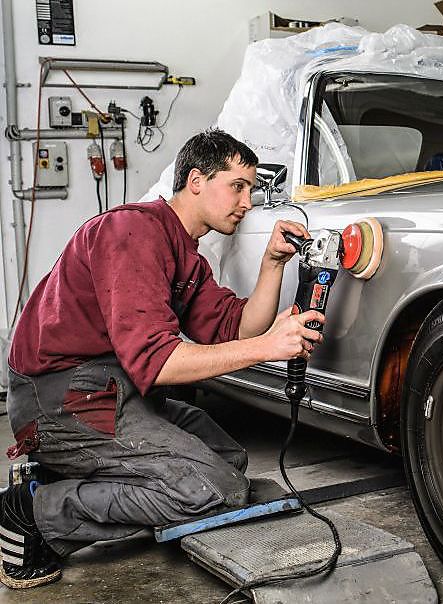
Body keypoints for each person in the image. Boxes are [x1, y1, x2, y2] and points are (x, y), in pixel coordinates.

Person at [0, 129, 323, 589]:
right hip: (62, 400)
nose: (248, 202)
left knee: (229, 460)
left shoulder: (185, 255)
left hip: (114, 392)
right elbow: (158, 362)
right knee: (216, 491)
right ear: (196, 180)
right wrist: (269, 347)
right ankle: (36, 512)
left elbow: (235, 327)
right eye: (238, 186)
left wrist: (273, 264)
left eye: (251, 189)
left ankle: (60, 470)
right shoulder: (132, 232)